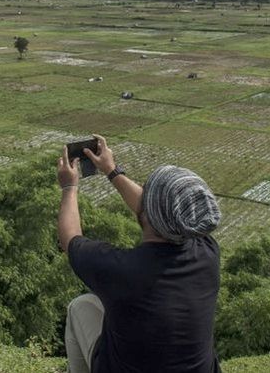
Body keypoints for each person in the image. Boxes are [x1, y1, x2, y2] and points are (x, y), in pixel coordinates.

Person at [57, 134, 221, 373]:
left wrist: (69, 187)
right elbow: (155, 210)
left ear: (148, 212)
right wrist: (111, 171)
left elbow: (69, 237)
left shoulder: (122, 270)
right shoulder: (207, 253)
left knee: (80, 306)